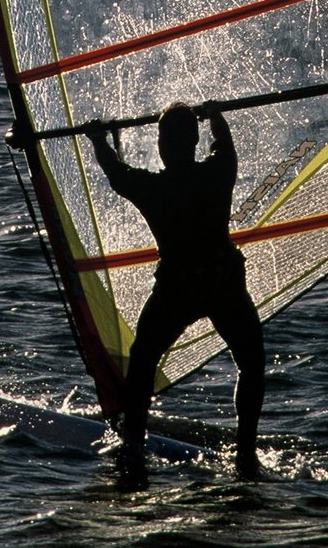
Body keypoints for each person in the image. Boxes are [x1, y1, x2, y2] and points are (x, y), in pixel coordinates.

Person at [90, 101, 265, 481]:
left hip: (179, 288)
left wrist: (98, 140)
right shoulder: (219, 172)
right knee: (251, 365)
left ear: (163, 146)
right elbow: (225, 144)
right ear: (194, 141)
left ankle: (134, 446)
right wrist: (216, 116)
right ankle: (246, 453)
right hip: (223, 282)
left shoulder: (155, 188)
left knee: (142, 362)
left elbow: (116, 174)